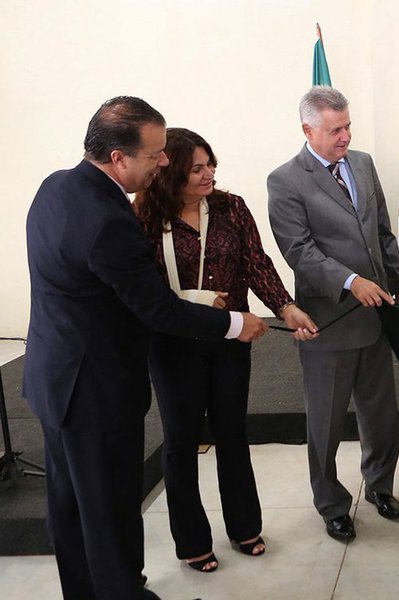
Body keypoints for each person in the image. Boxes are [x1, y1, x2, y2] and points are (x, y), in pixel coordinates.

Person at [23, 96, 267, 600]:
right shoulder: (111, 220)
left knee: (71, 508)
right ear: (118, 159)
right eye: (155, 153)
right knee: (110, 510)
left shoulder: (55, 187)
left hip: (54, 376)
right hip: (97, 391)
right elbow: (158, 309)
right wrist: (233, 323)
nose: (163, 160)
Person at [133, 128, 318, 572]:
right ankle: (192, 541)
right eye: (195, 168)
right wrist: (196, 303)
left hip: (231, 340)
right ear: (169, 172)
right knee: (180, 441)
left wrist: (285, 306)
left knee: (232, 432)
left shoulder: (230, 208)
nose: (208, 173)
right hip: (173, 345)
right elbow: (145, 290)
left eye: (210, 163)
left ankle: (244, 526)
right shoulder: (142, 219)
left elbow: (256, 262)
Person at [268, 86, 399, 544]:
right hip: (328, 321)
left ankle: (381, 487)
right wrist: (350, 282)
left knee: (382, 416)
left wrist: (398, 283)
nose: (345, 136)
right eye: (335, 130)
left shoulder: (362, 163)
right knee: (325, 424)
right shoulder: (285, 180)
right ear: (308, 129)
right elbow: (299, 251)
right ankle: (331, 504)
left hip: (377, 318)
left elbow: (382, 229)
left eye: (348, 126)